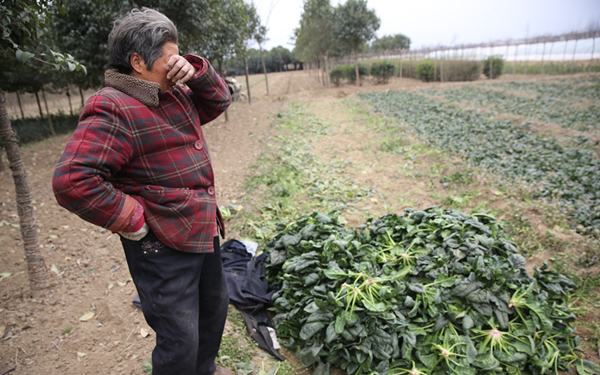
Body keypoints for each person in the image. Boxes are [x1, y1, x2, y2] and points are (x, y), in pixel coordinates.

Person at [52, 8, 233, 375]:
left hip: (199, 226)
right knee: (180, 339)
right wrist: (133, 220)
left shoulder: (175, 92)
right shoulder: (114, 105)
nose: (176, 62)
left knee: (213, 311)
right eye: (170, 55)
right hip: (161, 240)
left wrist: (196, 71)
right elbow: (72, 180)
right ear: (138, 62)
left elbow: (219, 101)